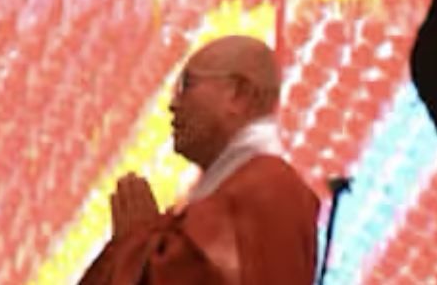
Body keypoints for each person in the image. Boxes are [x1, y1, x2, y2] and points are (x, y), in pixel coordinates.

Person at [79, 35, 319, 285]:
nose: (173, 105)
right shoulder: (232, 193)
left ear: (238, 94)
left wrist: (136, 244)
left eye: (187, 86)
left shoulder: (266, 189)